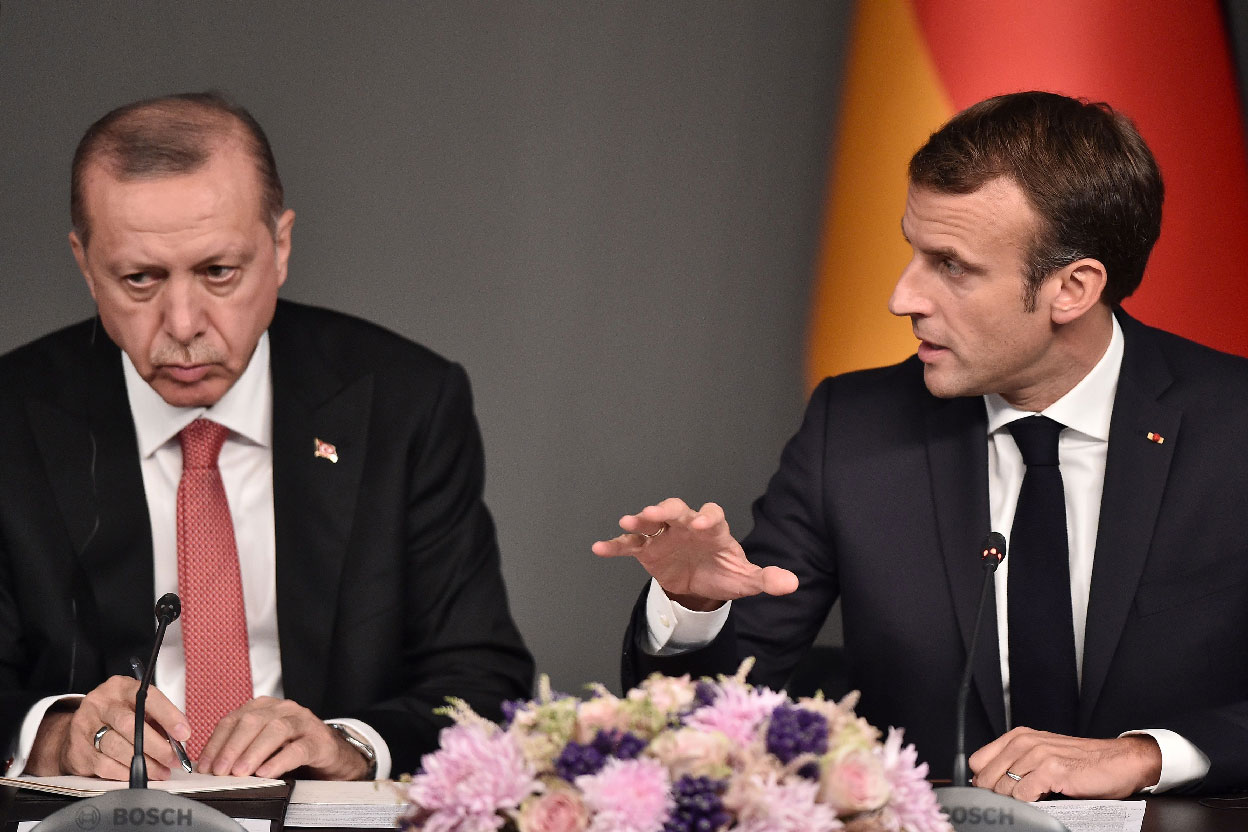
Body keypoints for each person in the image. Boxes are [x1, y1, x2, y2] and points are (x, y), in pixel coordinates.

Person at [594, 91, 1248, 800]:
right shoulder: (854, 427)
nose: (903, 297)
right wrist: (692, 608)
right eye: (913, 250)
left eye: (952, 265)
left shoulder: (1233, 425)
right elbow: (710, 721)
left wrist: (1149, 756)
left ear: (1073, 288)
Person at [0, 92, 533, 782]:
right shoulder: (12, 419)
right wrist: (51, 736)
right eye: (139, 279)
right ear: (85, 264)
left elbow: (482, 682)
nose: (184, 321)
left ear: (279, 249)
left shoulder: (406, 402)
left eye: (219, 272)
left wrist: (350, 746)